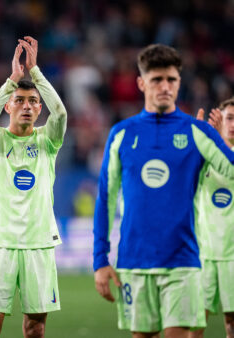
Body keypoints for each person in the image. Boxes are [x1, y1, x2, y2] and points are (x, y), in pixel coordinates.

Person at [93, 44, 234, 338]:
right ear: (142, 83)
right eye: (157, 79)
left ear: (179, 82)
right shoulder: (121, 134)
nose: (165, 87)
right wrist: (100, 260)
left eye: (171, 79)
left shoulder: (197, 132)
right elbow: (105, 198)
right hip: (134, 262)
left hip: (182, 261)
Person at [0, 36, 67, 338]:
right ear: (8, 106)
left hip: (39, 244)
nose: (26, 106)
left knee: (35, 329)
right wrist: (12, 80)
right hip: (0, 244)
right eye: (19, 100)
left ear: (39, 109)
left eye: (32, 102)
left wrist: (36, 72)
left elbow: (62, 113)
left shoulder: (47, 140)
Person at [191, 98, 234, 338]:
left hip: (233, 255)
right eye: (229, 118)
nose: (232, 124)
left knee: (231, 323)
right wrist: (198, 143)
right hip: (204, 254)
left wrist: (214, 139)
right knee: (196, 323)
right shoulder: (207, 156)